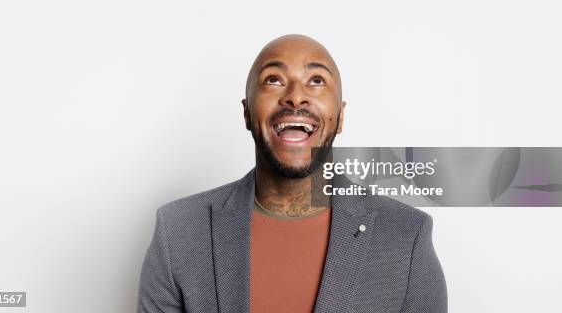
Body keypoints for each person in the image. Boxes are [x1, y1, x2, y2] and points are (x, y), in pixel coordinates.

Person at [137, 34, 447, 313]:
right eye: (274, 80)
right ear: (246, 113)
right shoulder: (177, 232)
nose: (296, 97)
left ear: (340, 116)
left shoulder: (406, 237)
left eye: (316, 81)